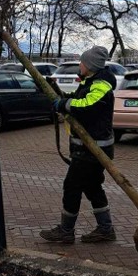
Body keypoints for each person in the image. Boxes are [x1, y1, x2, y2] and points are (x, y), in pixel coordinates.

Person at [40, 46, 117, 244]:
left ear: (90, 66)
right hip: (88, 149)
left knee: (72, 186)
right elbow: (79, 99)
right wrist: (63, 100)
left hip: (92, 150)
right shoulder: (90, 82)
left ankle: (66, 231)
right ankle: (105, 228)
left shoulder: (100, 85)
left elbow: (87, 106)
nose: (80, 65)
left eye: (82, 62)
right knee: (92, 187)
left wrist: (65, 105)